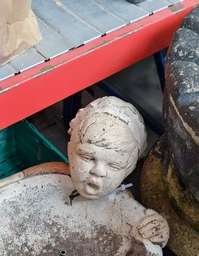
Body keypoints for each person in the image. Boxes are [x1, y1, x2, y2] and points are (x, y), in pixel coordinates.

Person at [67, 96, 169, 247]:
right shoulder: (56, 174)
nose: (98, 171)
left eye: (114, 165)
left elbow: (150, 231)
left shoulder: (126, 206)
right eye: (87, 157)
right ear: (69, 150)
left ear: (129, 169)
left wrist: (159, 229)